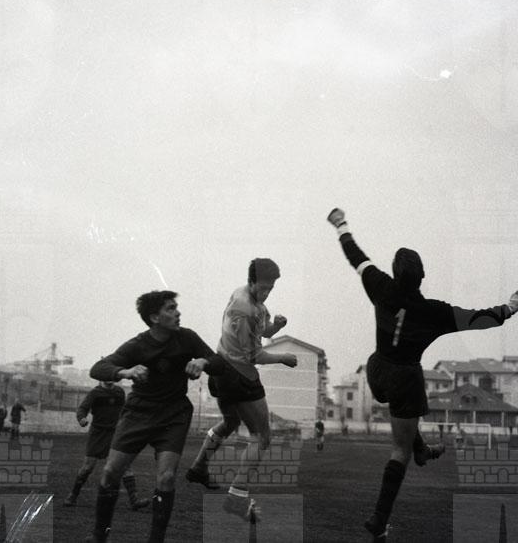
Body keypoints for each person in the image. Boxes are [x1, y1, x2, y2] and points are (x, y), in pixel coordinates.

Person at [327, 207, 518, 541]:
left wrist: (341, 225)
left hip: (377, 373)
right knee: (398, 450)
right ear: (422, 276)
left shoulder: (380, 286)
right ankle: (379, 519)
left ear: (394, 272)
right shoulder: (434, 312)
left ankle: (422, 450)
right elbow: (480, 318)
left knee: (404, 420)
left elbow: (356, 256)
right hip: (405, 381)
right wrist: (510, 308)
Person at [86, 290, 225, 543]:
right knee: (110, 473)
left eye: (176, 307)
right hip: (138, 412)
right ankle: (98, 535)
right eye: (170, 308)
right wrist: (125, 371)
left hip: (174, 414)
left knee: (167, 477)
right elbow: (98, 369)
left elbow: (218, 362)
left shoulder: (187, 337)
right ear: (154, 317)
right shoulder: (137, 345)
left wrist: (203, 362)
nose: (178, 312)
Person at [186, 258, 297, 521]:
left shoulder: (245, 296)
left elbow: (262, 331)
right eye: (263, 287)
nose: (267, 293)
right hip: (240, 376)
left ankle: (199, 467)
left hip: (221, 369)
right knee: (262, 436)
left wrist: (276, 327)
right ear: (251, 281)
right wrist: (282, 358)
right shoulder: (246, 310)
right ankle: (237, 497)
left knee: (230, 422)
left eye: (271, 288)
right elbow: (254, 355)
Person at [63, 380, 149, 511]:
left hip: (115, 433)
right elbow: (82, 408)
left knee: (124, 465)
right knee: (87, 467)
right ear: (101, 377)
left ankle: (134, 500)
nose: (109, 378)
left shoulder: (119, 392)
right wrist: (82, 418)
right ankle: (73, 496)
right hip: (98, 433)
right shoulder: (95, 393)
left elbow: (124, 410)